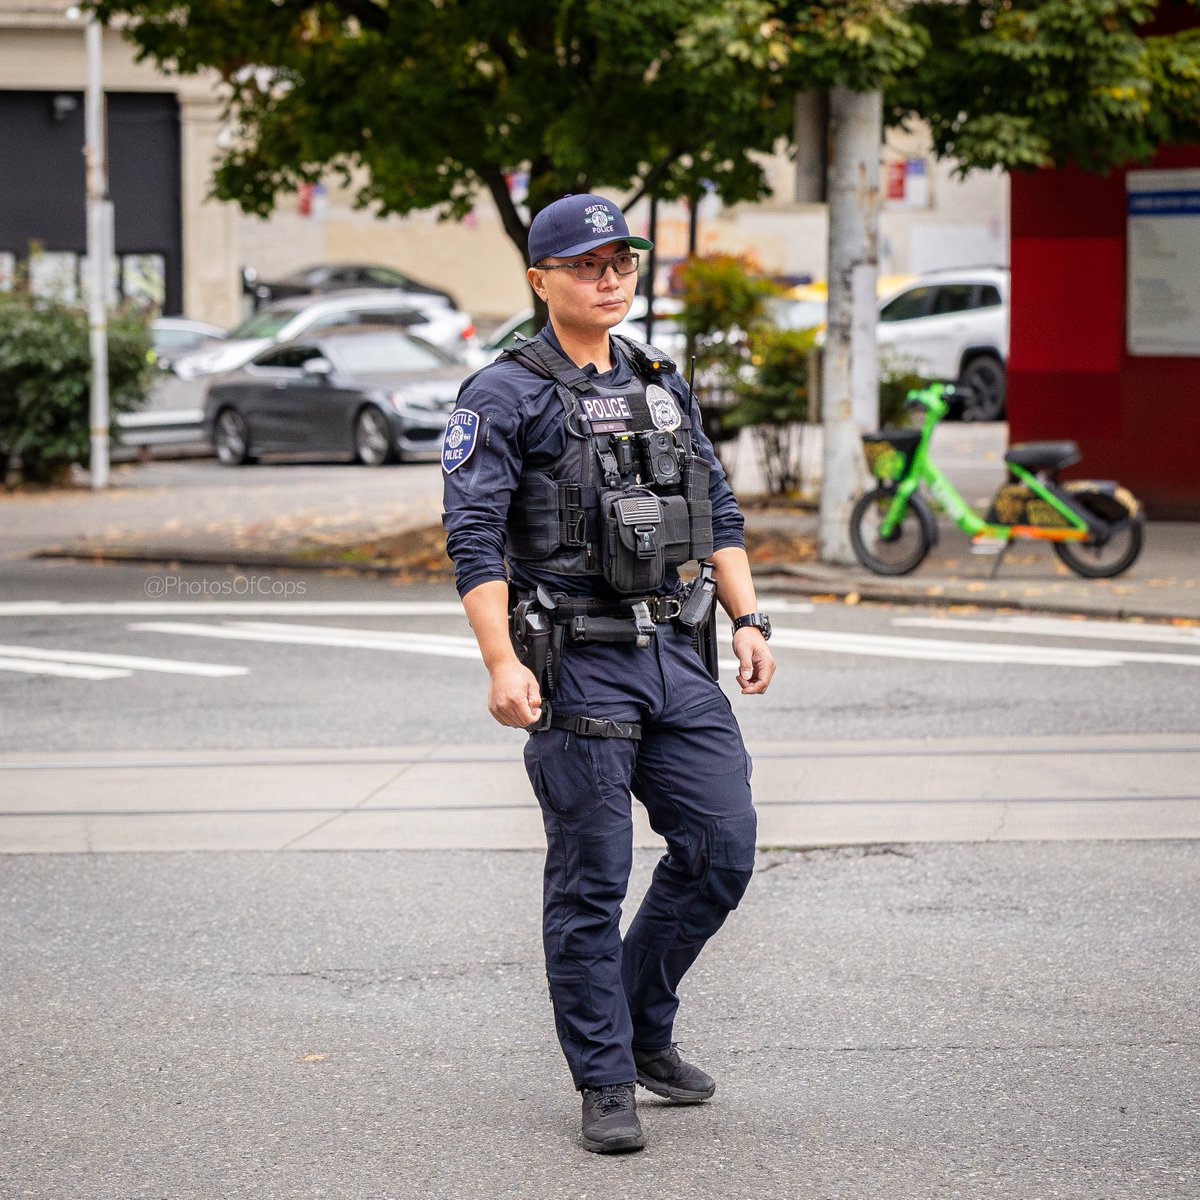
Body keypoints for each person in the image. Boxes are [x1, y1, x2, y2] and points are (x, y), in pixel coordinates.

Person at [441, 193, 774, 1154]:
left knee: (721, 848)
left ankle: (639, 1027)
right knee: (593, 882)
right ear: (540, 280)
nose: (610, 278)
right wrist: (501, 662)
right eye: (588, 265)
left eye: (622, 262)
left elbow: (715, 507)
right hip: (576, 659)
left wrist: (748, 618)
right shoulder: (502, 394)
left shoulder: (660, 381)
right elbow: (473, 538)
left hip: (673, 650)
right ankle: (605, 1077)